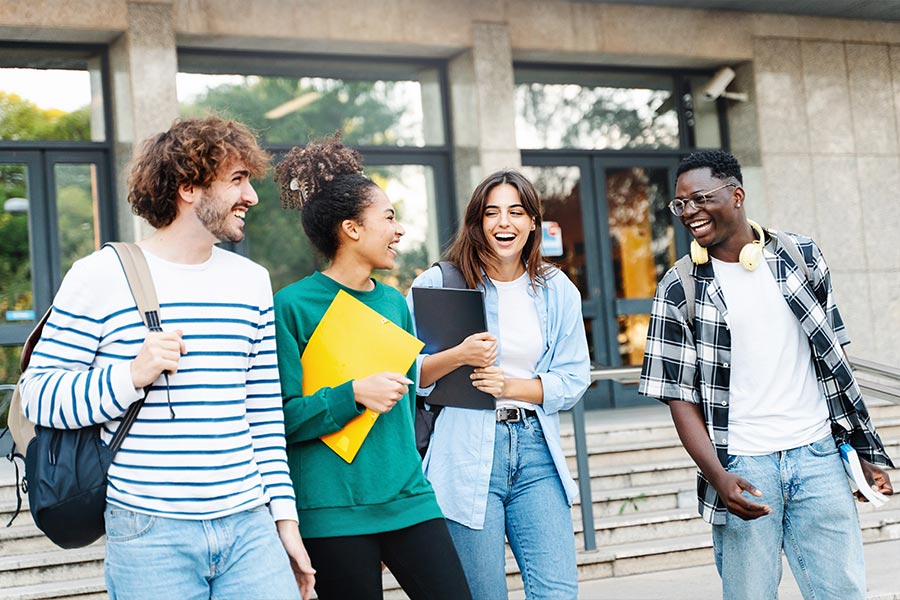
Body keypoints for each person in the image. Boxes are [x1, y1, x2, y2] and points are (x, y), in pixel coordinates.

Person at [19, 117, 315, 599]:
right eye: (237, 180)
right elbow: (38, 395)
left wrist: (284, 521)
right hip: (150, 532)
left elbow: (262, 415)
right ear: (189, 187)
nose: (252, 197)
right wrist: (129, 375)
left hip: (249, 528)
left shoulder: (252, 281)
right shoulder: (99, 275)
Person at [639, 149, 894, 599]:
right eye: (681, 204)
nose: (689, 212)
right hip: (743, 464)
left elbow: (836, 359)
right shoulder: (679, 287)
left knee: (843, 593)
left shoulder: (802, 255)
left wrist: (862, 447)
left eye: (700, 199)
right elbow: (679, 399)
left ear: (736, 195)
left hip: (818, 458)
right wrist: (718, 475)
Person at [271, 135, 471, 600]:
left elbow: (403, 401)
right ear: (351, 229)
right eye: (388, 217)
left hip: (408, 497)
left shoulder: (392, 303)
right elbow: (278, 417)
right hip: (332, 509)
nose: (398, 230)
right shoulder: (291, 307)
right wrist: (352, 393)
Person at [407, 169, 591, 600]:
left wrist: (508, 385)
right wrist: (459, 357)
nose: (503, 223)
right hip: (464, 451)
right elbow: (405, 371)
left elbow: (573, 378)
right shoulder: (437, 283)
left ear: (532, 223)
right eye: (492, 213)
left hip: (536, 450)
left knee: (557, 593)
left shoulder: (556, 289)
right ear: (477, 222)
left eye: (516, 212)